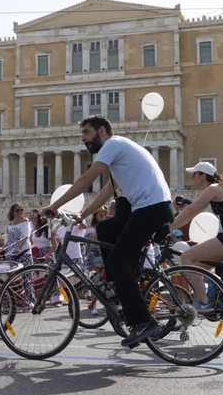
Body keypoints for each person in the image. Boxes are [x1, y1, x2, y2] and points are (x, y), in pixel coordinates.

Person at [45, 115, 174, 347]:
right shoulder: (120, 150)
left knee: (118, 259)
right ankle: (120, 288)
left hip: (151, 209)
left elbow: (86, 180)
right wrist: (82, 215)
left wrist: (54, 206)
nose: (83, 138)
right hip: (154, 208)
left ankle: (144, 321)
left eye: (86, 132)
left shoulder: (113, 145)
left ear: (101, 131)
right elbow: (107, 191)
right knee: (105, 228)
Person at [170, 161, 223, 310]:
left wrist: (169, 226)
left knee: (186, 257)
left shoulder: (213, 189)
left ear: (203, 175)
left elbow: (191, 210)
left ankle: (205, 302)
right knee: (195, 269)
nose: (193, 179)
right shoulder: (219, 188)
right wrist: (173, 226)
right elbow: (193, 212)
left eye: (194, 175)